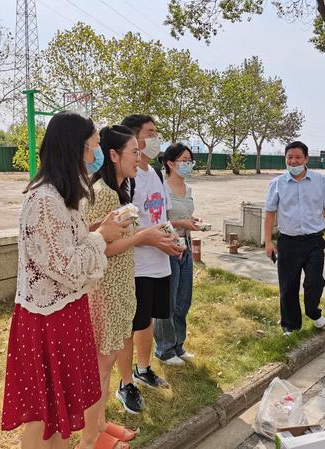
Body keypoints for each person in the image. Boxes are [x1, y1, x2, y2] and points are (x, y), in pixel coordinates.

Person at [1, 112, 130, 449]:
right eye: (93, 147)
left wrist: (97, 230)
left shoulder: (63, 194)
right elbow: (68, 268)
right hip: (47, 319)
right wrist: (101, 237)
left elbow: (65, 247)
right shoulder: (45, 200)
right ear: (75, 148)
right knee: (42, 418)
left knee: (61, 413)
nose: (96, 155)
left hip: (66, 312)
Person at [114, 114, 182, 413]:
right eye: (150, 133)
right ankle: (125, 383)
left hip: (159, 263)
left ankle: (143, 369)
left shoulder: (154, 172)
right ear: (134, 138)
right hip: (136, 265)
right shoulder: (127, 177)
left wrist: (172, 239)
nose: (156, 138)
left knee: (148, 321)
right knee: (131, 325)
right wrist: (153, 239)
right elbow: (122, 228)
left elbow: (161, 217)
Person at [264, 141, 325, 335]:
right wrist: (268, 242)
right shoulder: (277, 183)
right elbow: (269, 214)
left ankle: (313, 311)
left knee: (314, 282)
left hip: (314, 242)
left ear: (306, 159)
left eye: (297, 157)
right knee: (288, 286)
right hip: (288, 242)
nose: (293, 161)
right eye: (289, 157)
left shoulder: (319, 181)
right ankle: (290, 325)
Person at [154, 143, 201, 365]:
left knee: (183, 300)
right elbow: (157, 221)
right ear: (170, 163)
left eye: (190, 160)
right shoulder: (161, 189)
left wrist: (191, 222)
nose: (188, 164)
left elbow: (185, 217)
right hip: (168, 247)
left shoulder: (188, 189)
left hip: (186, 247)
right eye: (184, 160)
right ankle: (164, 349)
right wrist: (180, 223)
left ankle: (178, 345)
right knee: (168, 302)